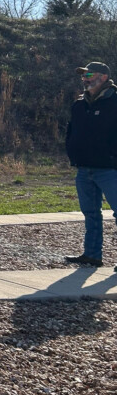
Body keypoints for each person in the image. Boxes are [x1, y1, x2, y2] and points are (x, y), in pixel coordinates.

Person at [64, 61, 117, 268]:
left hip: (110, 169)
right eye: (83, 76)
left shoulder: (114, 101)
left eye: (88, 75)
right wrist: (72, 152)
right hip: (84, 168)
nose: (84, 79)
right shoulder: (79, 104)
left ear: (103, 77)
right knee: (91, 214)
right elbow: (71, 131)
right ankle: (92, 255)